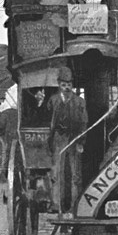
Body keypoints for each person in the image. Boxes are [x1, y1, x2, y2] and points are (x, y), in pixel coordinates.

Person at [47, 67, 88, 213]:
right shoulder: (53, 100)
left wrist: (81, 142)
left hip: (74, 139)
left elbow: (84, 122)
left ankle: (75, 205)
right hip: (58, 139)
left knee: (75, 174)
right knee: (57, 173)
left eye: (69, 84)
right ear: (59, 84)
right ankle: (56, 204)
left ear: (72, 85)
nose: (66, 87)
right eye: (64, 84)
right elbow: (48, 120)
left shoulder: (80, 102)